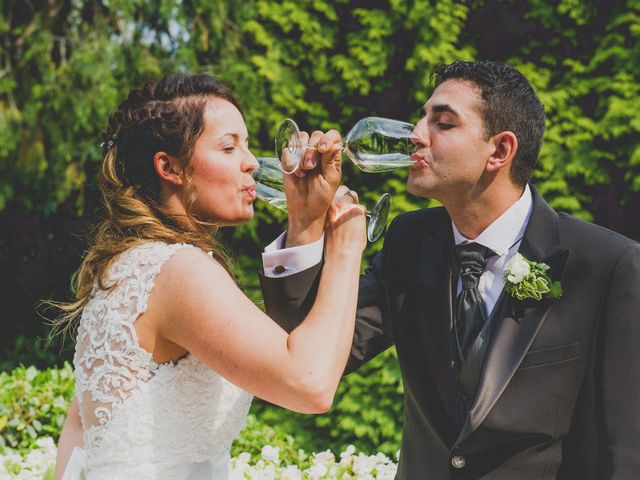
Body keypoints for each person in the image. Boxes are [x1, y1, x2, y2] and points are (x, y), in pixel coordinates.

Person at [259, 60, 640, 479]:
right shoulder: (409, 242)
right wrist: (304, 224)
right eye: (422, 118)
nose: (417, 136)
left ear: (500, 151)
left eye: (442, 123)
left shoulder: (605, 263)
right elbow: (313, 359)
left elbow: (623, 448)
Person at [53, 74, 366, 479]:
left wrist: (304, 223)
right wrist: (344, 246)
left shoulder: (123, 268)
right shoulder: (180, 269)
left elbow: (80, 426)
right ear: (170, 167)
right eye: (229, 146)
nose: (251, 162)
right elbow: (309, 384)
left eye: (247, 145)